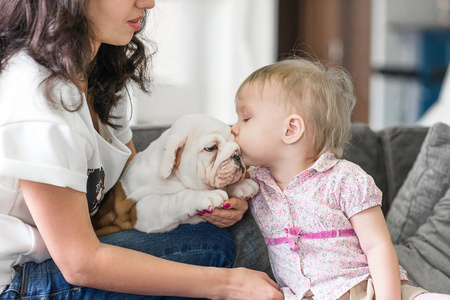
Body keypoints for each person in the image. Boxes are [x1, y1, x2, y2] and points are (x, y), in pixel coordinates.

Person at [0, 0, 284, 299]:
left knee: (237, 225)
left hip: (66, 254)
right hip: (19, 279)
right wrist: (227, 285)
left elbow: (137, 184)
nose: (148, 3)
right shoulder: (39, 101)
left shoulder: (98, 77)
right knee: (214, 246)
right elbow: (79, 262)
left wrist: (211, 200)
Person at [231, 57, 450, 300]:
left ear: (291, 129)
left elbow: (377, 246)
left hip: (366, 290)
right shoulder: (254, 184)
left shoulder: (345, 179)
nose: (233, 128)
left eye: (246, 118)